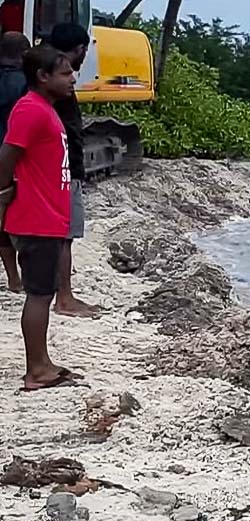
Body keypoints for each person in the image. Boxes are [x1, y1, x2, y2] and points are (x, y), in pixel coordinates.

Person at [0, 45, 82, 391]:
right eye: (65, 73)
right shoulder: (31, 109)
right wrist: (3, 194)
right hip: (35, 218)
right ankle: (36, 370)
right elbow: (6, 156)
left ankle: (43, 362)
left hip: (47, 216)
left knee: (43, 293)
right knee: (38, 294)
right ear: (42, 76)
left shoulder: (45, 109)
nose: (73, 78)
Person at [50, 22, 99, 317]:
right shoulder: (56, 88)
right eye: (67, 74)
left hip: (58, 168)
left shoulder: (40, 77)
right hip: (64, 170)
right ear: (79, 49)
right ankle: (64, 298)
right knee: (64, 235)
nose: (72, 79)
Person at [0, 30, 28, 292]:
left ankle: (13, 278)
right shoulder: (26, 85)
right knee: (17, 221)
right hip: (15, 159)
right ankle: (22, 277)